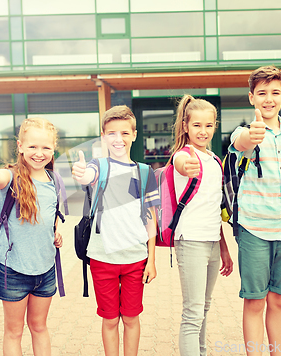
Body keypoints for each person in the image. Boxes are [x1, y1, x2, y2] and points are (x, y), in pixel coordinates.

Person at [229, 65, 281, 356]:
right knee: (255, 302)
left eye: (275, 92)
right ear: (251, 98)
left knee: (279, 302)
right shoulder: (245, 132)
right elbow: (241, 143)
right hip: (253, 230)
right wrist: (253, 134)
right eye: (261, 93)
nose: (268, 99)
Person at [0, 117, 63, 356]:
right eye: (32, 146)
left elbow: (47, 219)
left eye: (46, 147)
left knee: (40, 327)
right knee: (14, 332)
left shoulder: (54, 181)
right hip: (12, 271)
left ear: (54, 149)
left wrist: (55, 233)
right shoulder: (10, 177)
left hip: (45, 270)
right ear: (20, 146)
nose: (39, 153)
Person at [71, 105, 159, 356]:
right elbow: (88, 175)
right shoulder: (98, 165)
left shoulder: (144, 172)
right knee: (110, 320)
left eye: (123, 133)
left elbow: (151, 217)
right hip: (102, 258)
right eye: (111, 133)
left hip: (135, 259)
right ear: (103, 136)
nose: (117, 139)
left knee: (131, 318)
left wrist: (151, 259)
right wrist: (82, 173)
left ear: (134, 135)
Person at [170, 94, 234, 356]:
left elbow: (213, 210)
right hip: (190, 241)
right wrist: (185, 167)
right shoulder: (183, 155)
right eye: (197, 125)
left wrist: (224, 249)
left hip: (211, 242)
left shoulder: (215, 161)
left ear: (214, 126)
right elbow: (180, 164)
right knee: (193, 312)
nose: (203, 131)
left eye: (208, 125)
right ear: (186, 126)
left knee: (204, 309)